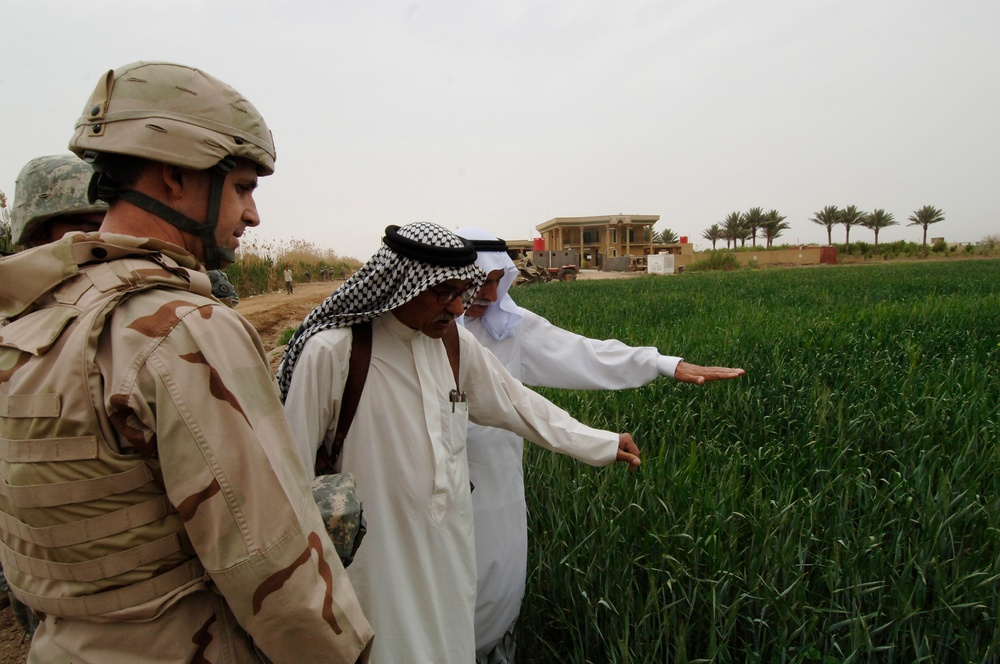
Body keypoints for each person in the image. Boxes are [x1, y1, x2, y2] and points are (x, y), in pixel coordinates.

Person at [0, 61, 372, 663]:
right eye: (244, 187)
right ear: (175, 176)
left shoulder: (33, 319)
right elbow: (275, 566)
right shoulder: (182, 328)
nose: (252, 215)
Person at [277, 222, 642, 664]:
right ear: (403, 283)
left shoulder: (453, 345)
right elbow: (288, 465)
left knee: (452, 643)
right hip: (376, 554)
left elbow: (517, 404)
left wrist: (598, 442)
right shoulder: (335, 353)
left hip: (448, 543)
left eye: (461, 291)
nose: (456, 305)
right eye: (442, 291)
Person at [454, 227, 746, 662]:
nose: (493, 293)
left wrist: (662, 363)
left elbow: (585, 354)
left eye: (500, 280)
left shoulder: (510, 328)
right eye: (482, 281)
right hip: (438, 477)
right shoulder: (425, 336)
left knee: (501, 576)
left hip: (498, 478)